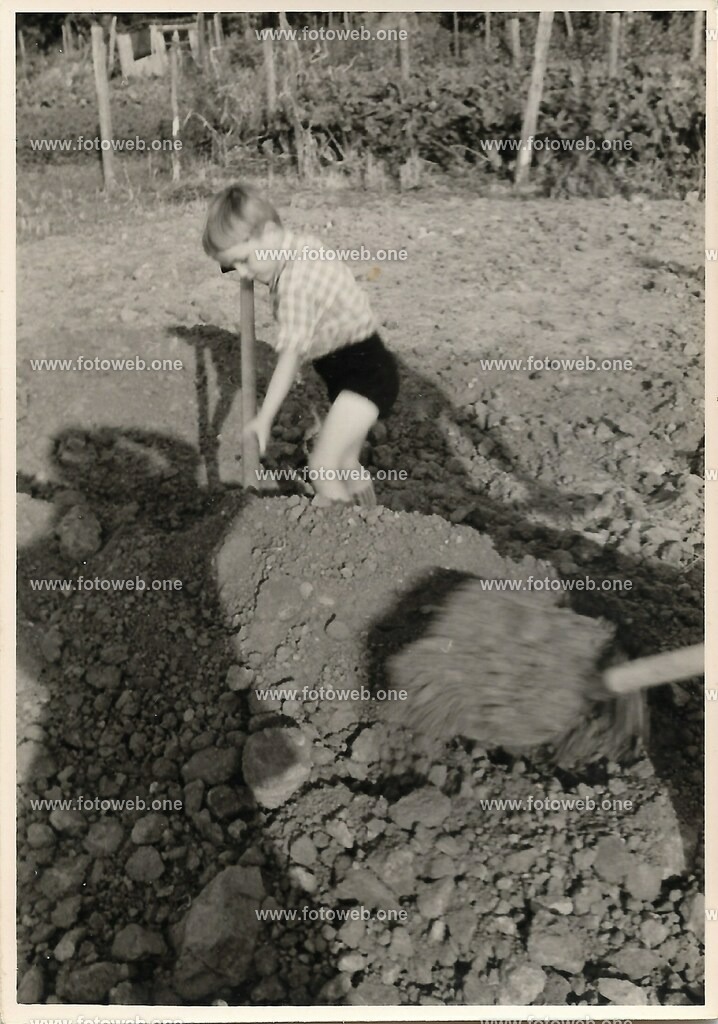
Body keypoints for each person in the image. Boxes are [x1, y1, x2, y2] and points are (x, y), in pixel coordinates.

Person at [202, 183, 399, 506]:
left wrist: (265, 417)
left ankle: (347, 533)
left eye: (245, 261)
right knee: (346, 463)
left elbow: (290, 357)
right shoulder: (296, 246)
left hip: (365, 374)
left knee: (321, 467)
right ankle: (373, 525)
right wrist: (241, 256)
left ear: (268, 234)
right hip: (357, 367)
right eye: (234, 265)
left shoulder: (295, 282)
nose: (243, 273)